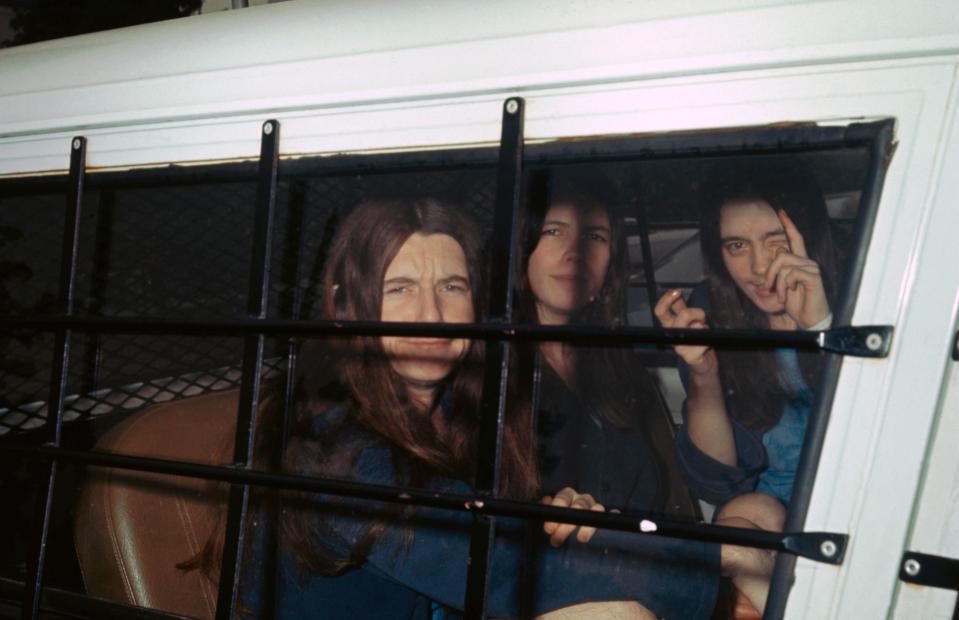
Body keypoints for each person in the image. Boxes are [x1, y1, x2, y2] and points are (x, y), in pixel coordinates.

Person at [189, 198, 720, 619]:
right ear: (347, 308)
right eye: (399, 288)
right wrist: (720, 576)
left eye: (451, 286)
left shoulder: (457, 417)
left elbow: (490, 535)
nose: (431, 314)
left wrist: (551, 516)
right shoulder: (334, 444)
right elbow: (504, 572)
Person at [654, 155, 839, 613]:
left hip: (851, 495)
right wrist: (704, 375)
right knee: (743, 531)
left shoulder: (866, 292)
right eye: (737, 246)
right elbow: (715, 483)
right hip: (766, 515)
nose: (758, 267)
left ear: (807, 236)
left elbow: (890, 438)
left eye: (775, 241)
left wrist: (821, 326)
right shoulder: (711, 312)